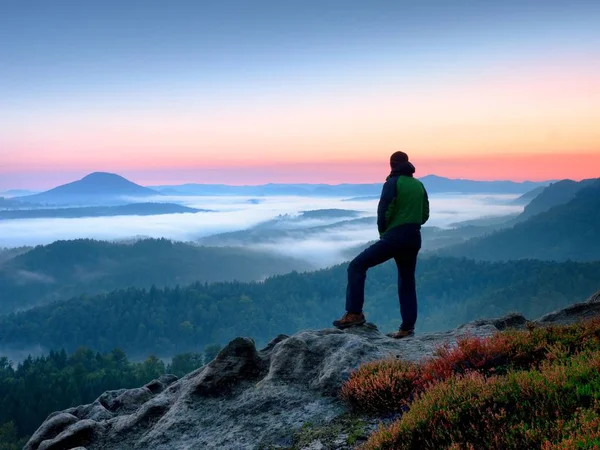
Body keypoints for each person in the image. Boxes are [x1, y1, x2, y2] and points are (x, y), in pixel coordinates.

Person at [333, 151, 429, 338]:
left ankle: (354, 313)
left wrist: (385, 233)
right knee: (407, 281)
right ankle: (407, 328)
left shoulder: (392, 183)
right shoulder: (419, 185)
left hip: (394, 237)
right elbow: (424, 215)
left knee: (357, 266)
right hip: (414, 236)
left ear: (392, 164)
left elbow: (383, 212)